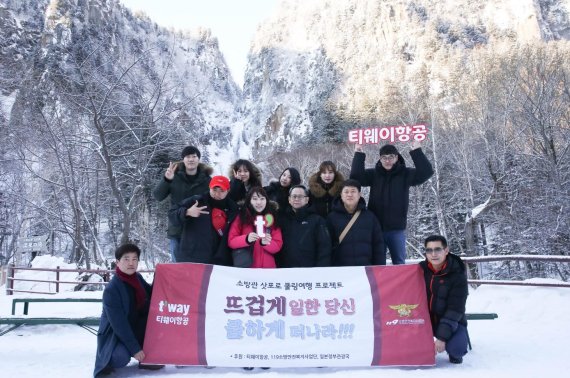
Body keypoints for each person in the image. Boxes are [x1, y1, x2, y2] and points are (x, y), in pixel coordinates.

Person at [350, 140, 433, 264]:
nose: (387, 160)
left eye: (391, 157)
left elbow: (426, 172)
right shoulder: (374, 174)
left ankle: (400, 284)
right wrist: (358, 154)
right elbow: (356, 177)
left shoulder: (405, 174)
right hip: (376, 229)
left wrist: (417, 151)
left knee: (399, 263)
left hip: (397, 229)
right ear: (380, 159)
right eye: (384, 157)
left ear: (397, 157)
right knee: (377, 264)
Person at [93, 243, 162, 377]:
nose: (131, 263)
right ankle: (119, 355)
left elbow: (152, 295)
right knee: (120, 357)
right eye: (126, 259)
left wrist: (159, 276)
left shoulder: (137, 278)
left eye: (134, 259)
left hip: (137, 327)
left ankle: (145, 356)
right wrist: (135, 349)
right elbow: (119, 325)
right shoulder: (112, 290)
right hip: (116, 334)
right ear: (117, 262)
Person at [153, 146, 212, 261]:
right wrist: (166, 179)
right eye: (188, 156)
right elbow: (158, 196)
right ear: (183, 159)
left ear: (198, 159)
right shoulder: (173, 177)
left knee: (198, 270)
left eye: (194, 156)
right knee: (178, 270)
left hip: (199, 232)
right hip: (177, 229)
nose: (191, 159)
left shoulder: (207, 180)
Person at [419, 234, 469, 364]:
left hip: (452, 321)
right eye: (429, 250)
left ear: (446, 250)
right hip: (425, 321)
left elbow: (455, 309)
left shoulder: (457, 275)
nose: (433, 254)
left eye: (438, 249)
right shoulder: (419, 270)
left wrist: (441, 337)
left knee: (457, 350)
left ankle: (455, 343)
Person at [169, 175, 238, 265]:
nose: (217, 194)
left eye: (222, 191)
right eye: (214, 190)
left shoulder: (234, 209)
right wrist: (187, 212)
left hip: (221, 262)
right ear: (209, 188)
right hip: (192, 259)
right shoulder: (196, 201)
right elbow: (171, 214)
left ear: (228, 191)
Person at [326, 179, 385, 266]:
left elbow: (378, 245)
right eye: (346, 192)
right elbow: (326, 246)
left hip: (365, 270)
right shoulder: (331, 218)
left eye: (353, 191)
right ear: (341, 195)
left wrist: (379, 267)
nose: (349, 194)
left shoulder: (370, 217)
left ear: (359, 194)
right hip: (340, 270)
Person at [277, 185, 332, 267]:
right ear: (289, 199)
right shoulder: (281, 219)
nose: (296, 199)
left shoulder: (317, 220)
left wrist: (321, 270)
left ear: (307, 200)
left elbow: (324, 249)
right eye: (294, 196)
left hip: (309, 272)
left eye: (300, 196)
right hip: (285, 272)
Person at [228, 187, 283, 268]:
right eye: (255, 199)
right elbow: (231, 241)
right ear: (249, 201)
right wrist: (246, 239)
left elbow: (278, 246)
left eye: (262, 198)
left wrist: (265, 243)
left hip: (268, 269)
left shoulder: (271, 218)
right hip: (247, 268)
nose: (259, 202)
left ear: (266, 201)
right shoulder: (241, 217)